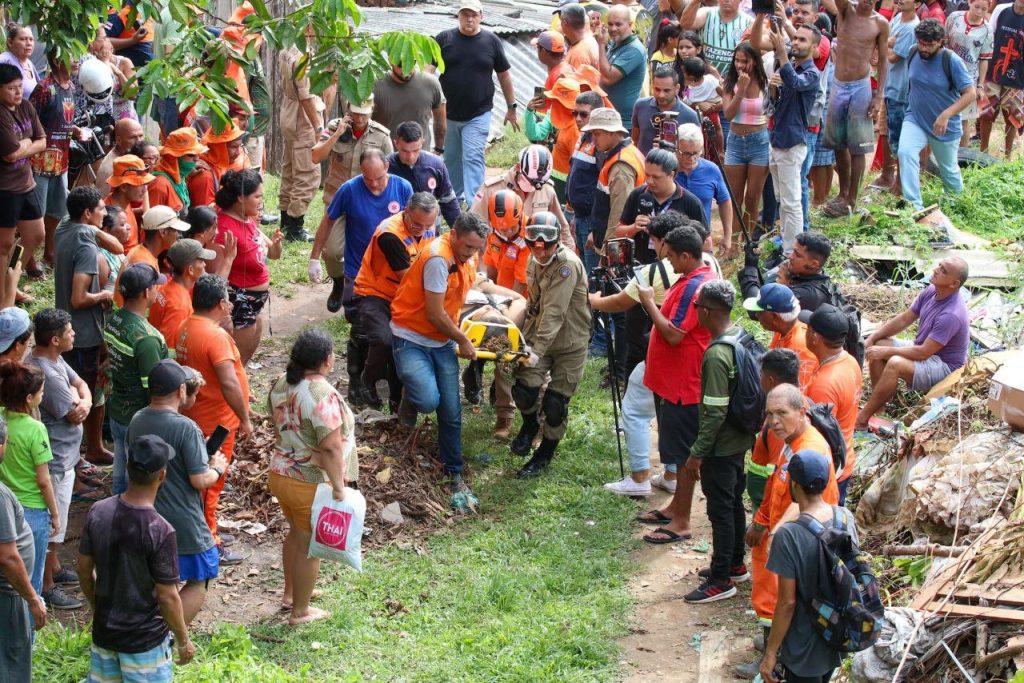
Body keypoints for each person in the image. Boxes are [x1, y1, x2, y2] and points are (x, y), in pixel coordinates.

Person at [739, 384, 838, 678]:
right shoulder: (787, 440)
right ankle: (773, 646)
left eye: (781, 413)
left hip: (797, 543)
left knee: (784, 604)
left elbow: (804, 500)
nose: (773, 421)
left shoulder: (810, 449)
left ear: (801, 412)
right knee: (772, 602)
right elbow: (777, 487)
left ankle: (774, 658)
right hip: (780, 538)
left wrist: (778, 532)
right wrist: (762, 521)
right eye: (769, 414)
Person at [78, 435, 196, 681]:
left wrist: (96, 605)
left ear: (128, 468)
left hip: (105, 635)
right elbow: (167, 596)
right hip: (145, 644)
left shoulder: (98, 511)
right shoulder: (160, 529)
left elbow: (83, 570)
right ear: (162, 475)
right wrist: (183, 640)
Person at [390, 213, 488, 500]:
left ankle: (453, 470)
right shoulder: (437, 259)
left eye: (477, 248)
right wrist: (463, 339)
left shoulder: (467, 256)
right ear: (454, 234)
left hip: (441, 339)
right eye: (468, 246)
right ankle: (410, 399)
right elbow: (434, 313)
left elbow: (460, 296)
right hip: (412, 336)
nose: (472, 253)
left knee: (451, 411)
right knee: (429, 400)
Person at [128, 360, 228, 625]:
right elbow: (198, 479)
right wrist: (217, 468)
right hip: (182, 517)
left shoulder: (137, 419)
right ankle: (167, 634)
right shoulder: (186, 427)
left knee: (157, 575)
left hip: (147, 514)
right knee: (201, 576)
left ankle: (144, 628)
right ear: (182, 390)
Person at [268, 329, 356, 625]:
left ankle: (291, 594)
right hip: (307, 479)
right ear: (327, 360)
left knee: (296, 533)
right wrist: (339, 487)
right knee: (310, 543)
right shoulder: (321, 393)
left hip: (280, 472)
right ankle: (300, 612)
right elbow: (330, 447)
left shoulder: (282, 383)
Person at [631, 224, 715, 531]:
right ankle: (675, 506)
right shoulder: (689, 278)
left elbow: (673, 334)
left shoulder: (696, 286)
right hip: (672, 383)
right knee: (675, 452)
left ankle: (682, 520)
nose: (668, 264)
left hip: (684, 386)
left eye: (671, 259)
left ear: (686, 255)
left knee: (683, 457)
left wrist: (648, 302)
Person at [684, 280, 756, 604]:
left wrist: (697, 454)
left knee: (720, 511)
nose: (694, 310)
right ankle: (736, 563)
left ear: (708, 311)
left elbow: (713, 413)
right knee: (733, 503)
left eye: (697, 306)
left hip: (721, 446)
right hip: (740, 440)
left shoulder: (715, 354)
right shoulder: (738, 336)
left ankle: (720, 579)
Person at [760, 449, 858, 683]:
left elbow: (787, 603)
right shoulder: (844, 517)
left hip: (804, 644)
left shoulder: (789, 534)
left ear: (794, 484)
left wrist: (770, 653)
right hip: (837, 633)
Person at [176, 274, 251, 566]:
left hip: (199, 416)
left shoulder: (185, 326)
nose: (231, 304)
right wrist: (244, 419)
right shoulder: (215, 336)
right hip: (216, 424)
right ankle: (210, 542)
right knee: (209, 485)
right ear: (221, 303)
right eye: (228, 300)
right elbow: (229, 382)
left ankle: (210, 531)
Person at [510, 213, 591, 478]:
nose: (540, 248)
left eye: (546, 242)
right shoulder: (534, 260)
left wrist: (536, 351)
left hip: (569, 342)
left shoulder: (566, 265)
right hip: (539, 336)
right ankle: (530, 425)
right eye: (534, 241)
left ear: (557, 239)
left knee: (556, 404)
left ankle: (544, 454)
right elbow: (534, 302)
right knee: (524, 391)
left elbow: (554, 313)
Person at [857, 257, 969, 428]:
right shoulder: (931, 291)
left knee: (895, 363)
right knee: (879, 343)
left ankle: (862, 418)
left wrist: (886, 352)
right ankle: (879, 408)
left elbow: (924, 353)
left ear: (954, 284)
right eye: (939, 265)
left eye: (943, 270)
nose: (936, 269)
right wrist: (873, 338)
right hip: (923, 348)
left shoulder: (951, 315)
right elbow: (904, 319)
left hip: (944, 365)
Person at [352, 193, 439, 414]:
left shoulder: (429, 225)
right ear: (406, 211)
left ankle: (396, 399)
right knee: (384, 340)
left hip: (406, 294)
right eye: (416, 223)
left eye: (428, 224)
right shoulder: (389, 233)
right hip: (376, 292)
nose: (422, 229)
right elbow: (408, 278)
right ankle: (367, 380)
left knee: (405, 345)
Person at [28, 309, 91, 611]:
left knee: (60, 524)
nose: (74, 334)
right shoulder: (49, 375)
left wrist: (84, 397)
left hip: (64, 457)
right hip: (55, 461)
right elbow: (72, 412)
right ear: (55, 339)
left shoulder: (54, 359)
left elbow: (81, 387)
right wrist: (80, 400)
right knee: (54, 524)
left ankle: (53, 568)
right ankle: (46, 586)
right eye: (69, 331)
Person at [53, 187, 117, 467]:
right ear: (87, 213)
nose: (106, 213)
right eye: (102, 209)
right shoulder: (86, 248)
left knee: (95, 391)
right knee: (83, 396)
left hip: (73, 330)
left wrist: (92, 228)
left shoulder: (65, 227)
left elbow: (113, 245)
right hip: (83, 335)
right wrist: (104, 295)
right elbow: (78, 298)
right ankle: (75, 460)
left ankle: (94, 447)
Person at [432, 0, 518, 202]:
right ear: (458, 15)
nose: (469, 18)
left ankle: (475, 205)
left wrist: (511, 107)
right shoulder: (444, 39)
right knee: (451, 159)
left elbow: (504, 75)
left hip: (479, 112)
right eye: (465, 14)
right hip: (449, 113)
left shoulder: (491, 41)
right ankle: (452, 200)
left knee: (472, 157)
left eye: (474, 14)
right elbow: (428, 70)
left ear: (481, 16)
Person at [309, 149, 413, 316]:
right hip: (358, 266)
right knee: (354, 316)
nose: (373, 184)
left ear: (387, 166)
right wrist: (314, 258)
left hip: (393, 265)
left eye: (378, 178)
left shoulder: (403, 187)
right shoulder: (349, 189)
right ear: (360, 169)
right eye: (367, 178)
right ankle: (340, 285)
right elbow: (327, 221)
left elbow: (414, 224)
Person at [104, 263, 169, 495]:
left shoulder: (114, 320)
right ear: (145, 293)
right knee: (138, 479)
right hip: (138, 419)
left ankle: (116, 503)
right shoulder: (147, 339)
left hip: (118, 409)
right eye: (156, 286)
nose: (159, 289)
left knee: (120, 466)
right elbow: (153, 388)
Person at [820, 0, 889, 218]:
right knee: (838, 143)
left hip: (861, 84)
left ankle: (853, 198)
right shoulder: (845, 10)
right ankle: (843, 193)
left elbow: (884, 59)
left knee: (859, 146)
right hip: (839, 84)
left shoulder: (880, 23)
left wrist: (879, 96)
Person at [898, 19, 977, 209]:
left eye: (929, 45)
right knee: (905, 152)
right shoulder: (913, 52)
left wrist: (946, 115)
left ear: (941, 41)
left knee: (948, 170)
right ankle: (913, 207)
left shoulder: (951, 61)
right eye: (921, 43)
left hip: (944, 125)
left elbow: (970, 94)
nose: (924, 48)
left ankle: (958, 206)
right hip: (915, 118)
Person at [0, 360, 59, 604]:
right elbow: (44, 481)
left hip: (6, 506)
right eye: (41, 392)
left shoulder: (2, 419)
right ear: (28, 398)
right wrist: (55, 514)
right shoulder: (36, 429)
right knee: (31, 582)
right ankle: (30, 632)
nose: (43, 396)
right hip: (32, 510)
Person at [215, 169, 282, 365]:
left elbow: (273, 255)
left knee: (244, 356)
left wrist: (277, 243)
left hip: (256, 302)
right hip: (238, 303)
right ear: (240, 198)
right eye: (257, 196)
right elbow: (216, 277)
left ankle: (242, 384)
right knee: (234, 359)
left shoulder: (248, 219)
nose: (261, 201)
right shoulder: (225, 228)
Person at [765, 23, 822, 256]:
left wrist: (781, 53)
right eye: (795, 38)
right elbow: (776, 105)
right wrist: (773, 89)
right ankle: (788, 245)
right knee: (782, 200)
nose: (796, 43)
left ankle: (792, 253)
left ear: (815, 48)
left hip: (791, 144)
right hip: (777, 140)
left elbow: (797, 84)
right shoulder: (788, 69)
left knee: (791, 202)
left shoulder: (811, 74)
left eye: (802, 40)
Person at [0, 411, 46, 682]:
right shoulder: (2, 497)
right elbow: (7, 557)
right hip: (7, 595)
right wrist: (32, 598)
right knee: (11, 664)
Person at [802, 304, 863, 503]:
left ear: (815, 337)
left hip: (828, 470)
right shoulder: (849, 361)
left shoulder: (825, 384)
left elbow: (818, 437)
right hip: (845, 460)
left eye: (808, 328)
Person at [28, 50, 81, 266]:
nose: (77, 60)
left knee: (57, 210)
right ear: (57, 60)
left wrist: (74, 130)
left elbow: (62, 119)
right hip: (40, 161)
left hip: (62, 160)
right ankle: (28, 260)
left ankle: (49, 253)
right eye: (72, 56)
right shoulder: (45, 88)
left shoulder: (71, 86)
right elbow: (29, 121)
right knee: (34, 215)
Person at [0, 63, 46, 306]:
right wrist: (28, 144)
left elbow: (42, 141)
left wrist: (24, 146)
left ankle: (11, 282)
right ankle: (3, 301)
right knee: (4, 245)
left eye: (19, 87)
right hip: (5, 189)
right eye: (10, 88)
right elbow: (9, 154)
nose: (17, 92)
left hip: (26, 184)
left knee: (34, 235)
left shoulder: (26, 107)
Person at [470, 145, 573, 250]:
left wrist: (569, 256)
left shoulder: (547, 190)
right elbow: (473, 227)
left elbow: (562, 228)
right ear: (518, 167)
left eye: (538, 183)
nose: (534, 186)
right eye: (530, 181)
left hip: (533, 258)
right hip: (497, 256)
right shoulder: (490, 189)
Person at [721, 42, 770, 260]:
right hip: (736, 141)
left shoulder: (765, 81)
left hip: (759, 140)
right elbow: (729, 114)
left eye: (745, 61)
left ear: (755, 61)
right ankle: (732, 243)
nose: (740, 65)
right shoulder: (730, 83)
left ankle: (748, 242)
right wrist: (740, 89)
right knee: (735, 196)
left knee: (752, 197)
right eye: (737, 60)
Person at [277, 36, 323, 243]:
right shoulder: (303, 57)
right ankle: (295, 227)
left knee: (289, 169)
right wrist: (317, 126)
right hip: (302, 118)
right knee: (307, 173)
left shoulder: (286, 49)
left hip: (288, 112)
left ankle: (286, 220)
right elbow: (305, 96)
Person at [313, 97, 393, 213]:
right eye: (356, 113)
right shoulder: (334, 127)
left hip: (366, 200)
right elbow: (316, 157)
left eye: (364, 114)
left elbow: (389, 172)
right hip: (336, 198)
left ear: (372, 109)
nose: (359, 119)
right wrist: (336, 134)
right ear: (349, 109)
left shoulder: (382, 136)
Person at [874, 0, 922, 192]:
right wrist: (887, 44)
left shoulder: (911, 28)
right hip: (890, 85)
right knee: (886, 132)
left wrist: (882, 44)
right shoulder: (897, 18)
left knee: (899, 139)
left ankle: (901, 184)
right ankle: (887, 175)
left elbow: (893, 57)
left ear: (917, 3)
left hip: (901, 90)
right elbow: (886, 46)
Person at [584, 107, 647, 251]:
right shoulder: (626, 153)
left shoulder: (621, 166)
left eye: (597, 134)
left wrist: (610, 254)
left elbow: (618, 215)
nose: (593, 139)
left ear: (612, 132)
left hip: (615, 247)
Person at [739, 232, 838, 313]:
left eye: (797, 255)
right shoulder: (808, 273)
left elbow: (759, 311)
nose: (790, 256)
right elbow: (765, 289)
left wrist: (751, 268)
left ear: (813, 264)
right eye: (793, 251)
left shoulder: (808, 294)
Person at [387, 122, 460, 228]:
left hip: (430, 230)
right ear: (396, 143)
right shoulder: (386, 167)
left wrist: (459, 231)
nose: (410, 157)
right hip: (397, 231)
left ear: (422, 143)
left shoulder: (436, 164)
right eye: (405, 151)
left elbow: (448, 200)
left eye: (415, 150)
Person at [743, 284, 818, 388]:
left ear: (774, 316)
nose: (756, 315)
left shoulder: (800, 348)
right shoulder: (782, 330)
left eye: (759, 312)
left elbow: (799, 394)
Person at [112, 204, 188, 308]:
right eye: (175, 230)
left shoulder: (142, 251)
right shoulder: (143, 262)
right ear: (163, 232)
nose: (178, 235)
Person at [148, 239, 216, 353]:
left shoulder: (164, 287)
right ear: (190, 270)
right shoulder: (180, 305)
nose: (204, 264)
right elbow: (169, 349)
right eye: (201, 261)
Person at [524, 76, 583, 202]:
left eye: (558, 101)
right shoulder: (553, 113)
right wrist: (529, 112)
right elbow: (536, 134)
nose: (554, 104)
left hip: (567, 183)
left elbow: (578, 167)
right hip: (551, 176)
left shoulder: (577, 128)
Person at [565, 91, 605, 269]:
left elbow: (604, 191)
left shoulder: (601, 144)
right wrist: (574, 215)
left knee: (591, 274)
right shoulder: (583, 137)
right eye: (575, 113)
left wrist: (594, 229)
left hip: (591, 221)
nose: (578, 118)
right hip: (580, 217)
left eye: (583, 114)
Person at [980, 0, 1024, 159]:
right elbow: (989, 35)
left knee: (1012, 118)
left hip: (1018, 77)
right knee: (986, 114)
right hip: (993, 72)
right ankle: (982, 153)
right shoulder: (1001, 10)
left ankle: (1007, 155)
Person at [945, 0, 992, 147]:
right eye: (977, 7)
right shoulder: (954, 17)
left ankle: (962, 157)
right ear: (970, 3)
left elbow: (984, 59)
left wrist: (980, 85)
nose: (979, 12)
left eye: (984, 9)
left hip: (968, 78)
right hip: (946, 73)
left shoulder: (987, 29)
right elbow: (943, 41)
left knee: (962, 119)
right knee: (943, 112)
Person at [372, 61, 446, 152]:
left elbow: (440, 119)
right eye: (400, 64)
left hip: (420, 156)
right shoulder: (374, 85)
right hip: (384, 157)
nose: (406, 69)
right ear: (390, 60)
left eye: (411, 62)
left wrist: (438, 149)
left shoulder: (430, 83)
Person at [674, 123, 732, 235]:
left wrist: (727, 235)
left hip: (702, 239)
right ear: (676, 148)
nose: (691, 158)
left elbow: (725, 200)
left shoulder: (711, 170)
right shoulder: (666, 170)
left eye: (695, 153)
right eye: (685, 153)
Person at [596, 5, 648, 130]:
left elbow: (608, 78)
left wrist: (601, 45)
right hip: (608, 117)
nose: (613, 28)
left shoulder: (634, 49)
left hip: (622, 123)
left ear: (630, 24)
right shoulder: (616, 43)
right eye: (610, 24)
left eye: (618, 24)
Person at [631, 66, 699, 155]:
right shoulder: (640, 106)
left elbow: (698, 151)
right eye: (657, 89)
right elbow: (635, 139)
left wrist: (673, 146)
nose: (661, 95)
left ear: (677, 88)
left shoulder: (691, 115)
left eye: (667, 90)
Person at [680, 0, 754, 77]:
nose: (727, 0)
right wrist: (695, 1)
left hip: (733, 80)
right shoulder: (707, 12)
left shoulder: (749, 22)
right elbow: (685, 24)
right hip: (703, 77)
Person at [185, 122, 245, 208]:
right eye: (234, 147)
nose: (238, 153)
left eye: (240, 146)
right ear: (220, 147)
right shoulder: (205, 176)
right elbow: (206, 217)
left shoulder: (218, 166)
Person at [149, 128, 207, 215]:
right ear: (174, 157)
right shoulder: (160, 185)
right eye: (191, 154)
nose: (197, 158)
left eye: (198, 153)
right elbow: (151, 223)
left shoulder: (179, 176)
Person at [104, 154, 155, 253]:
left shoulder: (124, 203)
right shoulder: (106, 213)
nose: (145, 190)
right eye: (140, 184)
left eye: (146, 184)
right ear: (123, 187)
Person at [95, 119, 145, 197]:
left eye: (141, 136)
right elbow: (107, 205)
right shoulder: (111, 170)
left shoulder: (129, 155)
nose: (139, 141)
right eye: (133, 137)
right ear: (118, 140)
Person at [184, 205, 236, 279]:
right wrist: (229, 258)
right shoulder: (192, 255)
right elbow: (215, 288)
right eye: (214, 228)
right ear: (201, 232)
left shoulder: (190, 246)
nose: (217, 232)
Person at [0, 24, 39, 98]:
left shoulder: (29, 63)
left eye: (31, 39)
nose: (29, 43)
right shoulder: (3, 60)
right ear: (10, 42)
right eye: (23, 39)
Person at [559, 3, 601, 70]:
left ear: (565, 23)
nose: (559, 24)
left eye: (560, 20)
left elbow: (575, 80)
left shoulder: (579, 54)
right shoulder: (588, 39)